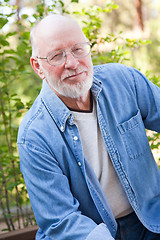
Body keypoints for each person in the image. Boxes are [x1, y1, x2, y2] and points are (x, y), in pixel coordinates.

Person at [17, 14, 160, 240]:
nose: (72, 63)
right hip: (88, 233)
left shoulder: (124, 81)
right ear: (38, 67)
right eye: (56, 56)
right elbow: (61, 220)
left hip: (150, 220)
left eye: (78, 49)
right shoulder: (34, 136)